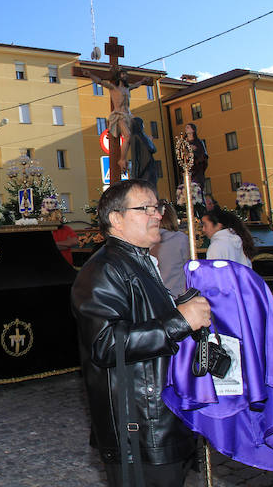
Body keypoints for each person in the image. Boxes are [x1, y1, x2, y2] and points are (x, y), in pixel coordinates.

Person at [72, 178, 211, 486]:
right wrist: (179, 321)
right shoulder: (103, 270)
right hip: (140, 429)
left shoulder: (140, 262)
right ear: (116, 219)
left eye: (157, 206)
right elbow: (106, 344)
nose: (157, 214)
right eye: (144, 208)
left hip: (163, 419)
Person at [150, 202, 191, 297]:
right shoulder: (180, 239)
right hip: (178, 293)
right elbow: (188, 266)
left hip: (157, 296)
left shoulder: (147, 240)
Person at [128, 116, 158, 188]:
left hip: (142, 171)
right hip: (148, 168)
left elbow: (135, 158)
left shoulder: (135, 137)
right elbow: (153, 149)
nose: (144, 126)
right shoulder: (142, 137)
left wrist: (134, 175)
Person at [183, 124, 208, 189]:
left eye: (188, 127)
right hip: (188, 169)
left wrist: (195, 152)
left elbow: (204, 155)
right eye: (186, 128)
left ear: (193, 130)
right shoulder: (183, 143)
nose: (186, 129)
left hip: (197, 169)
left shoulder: (199, 142)